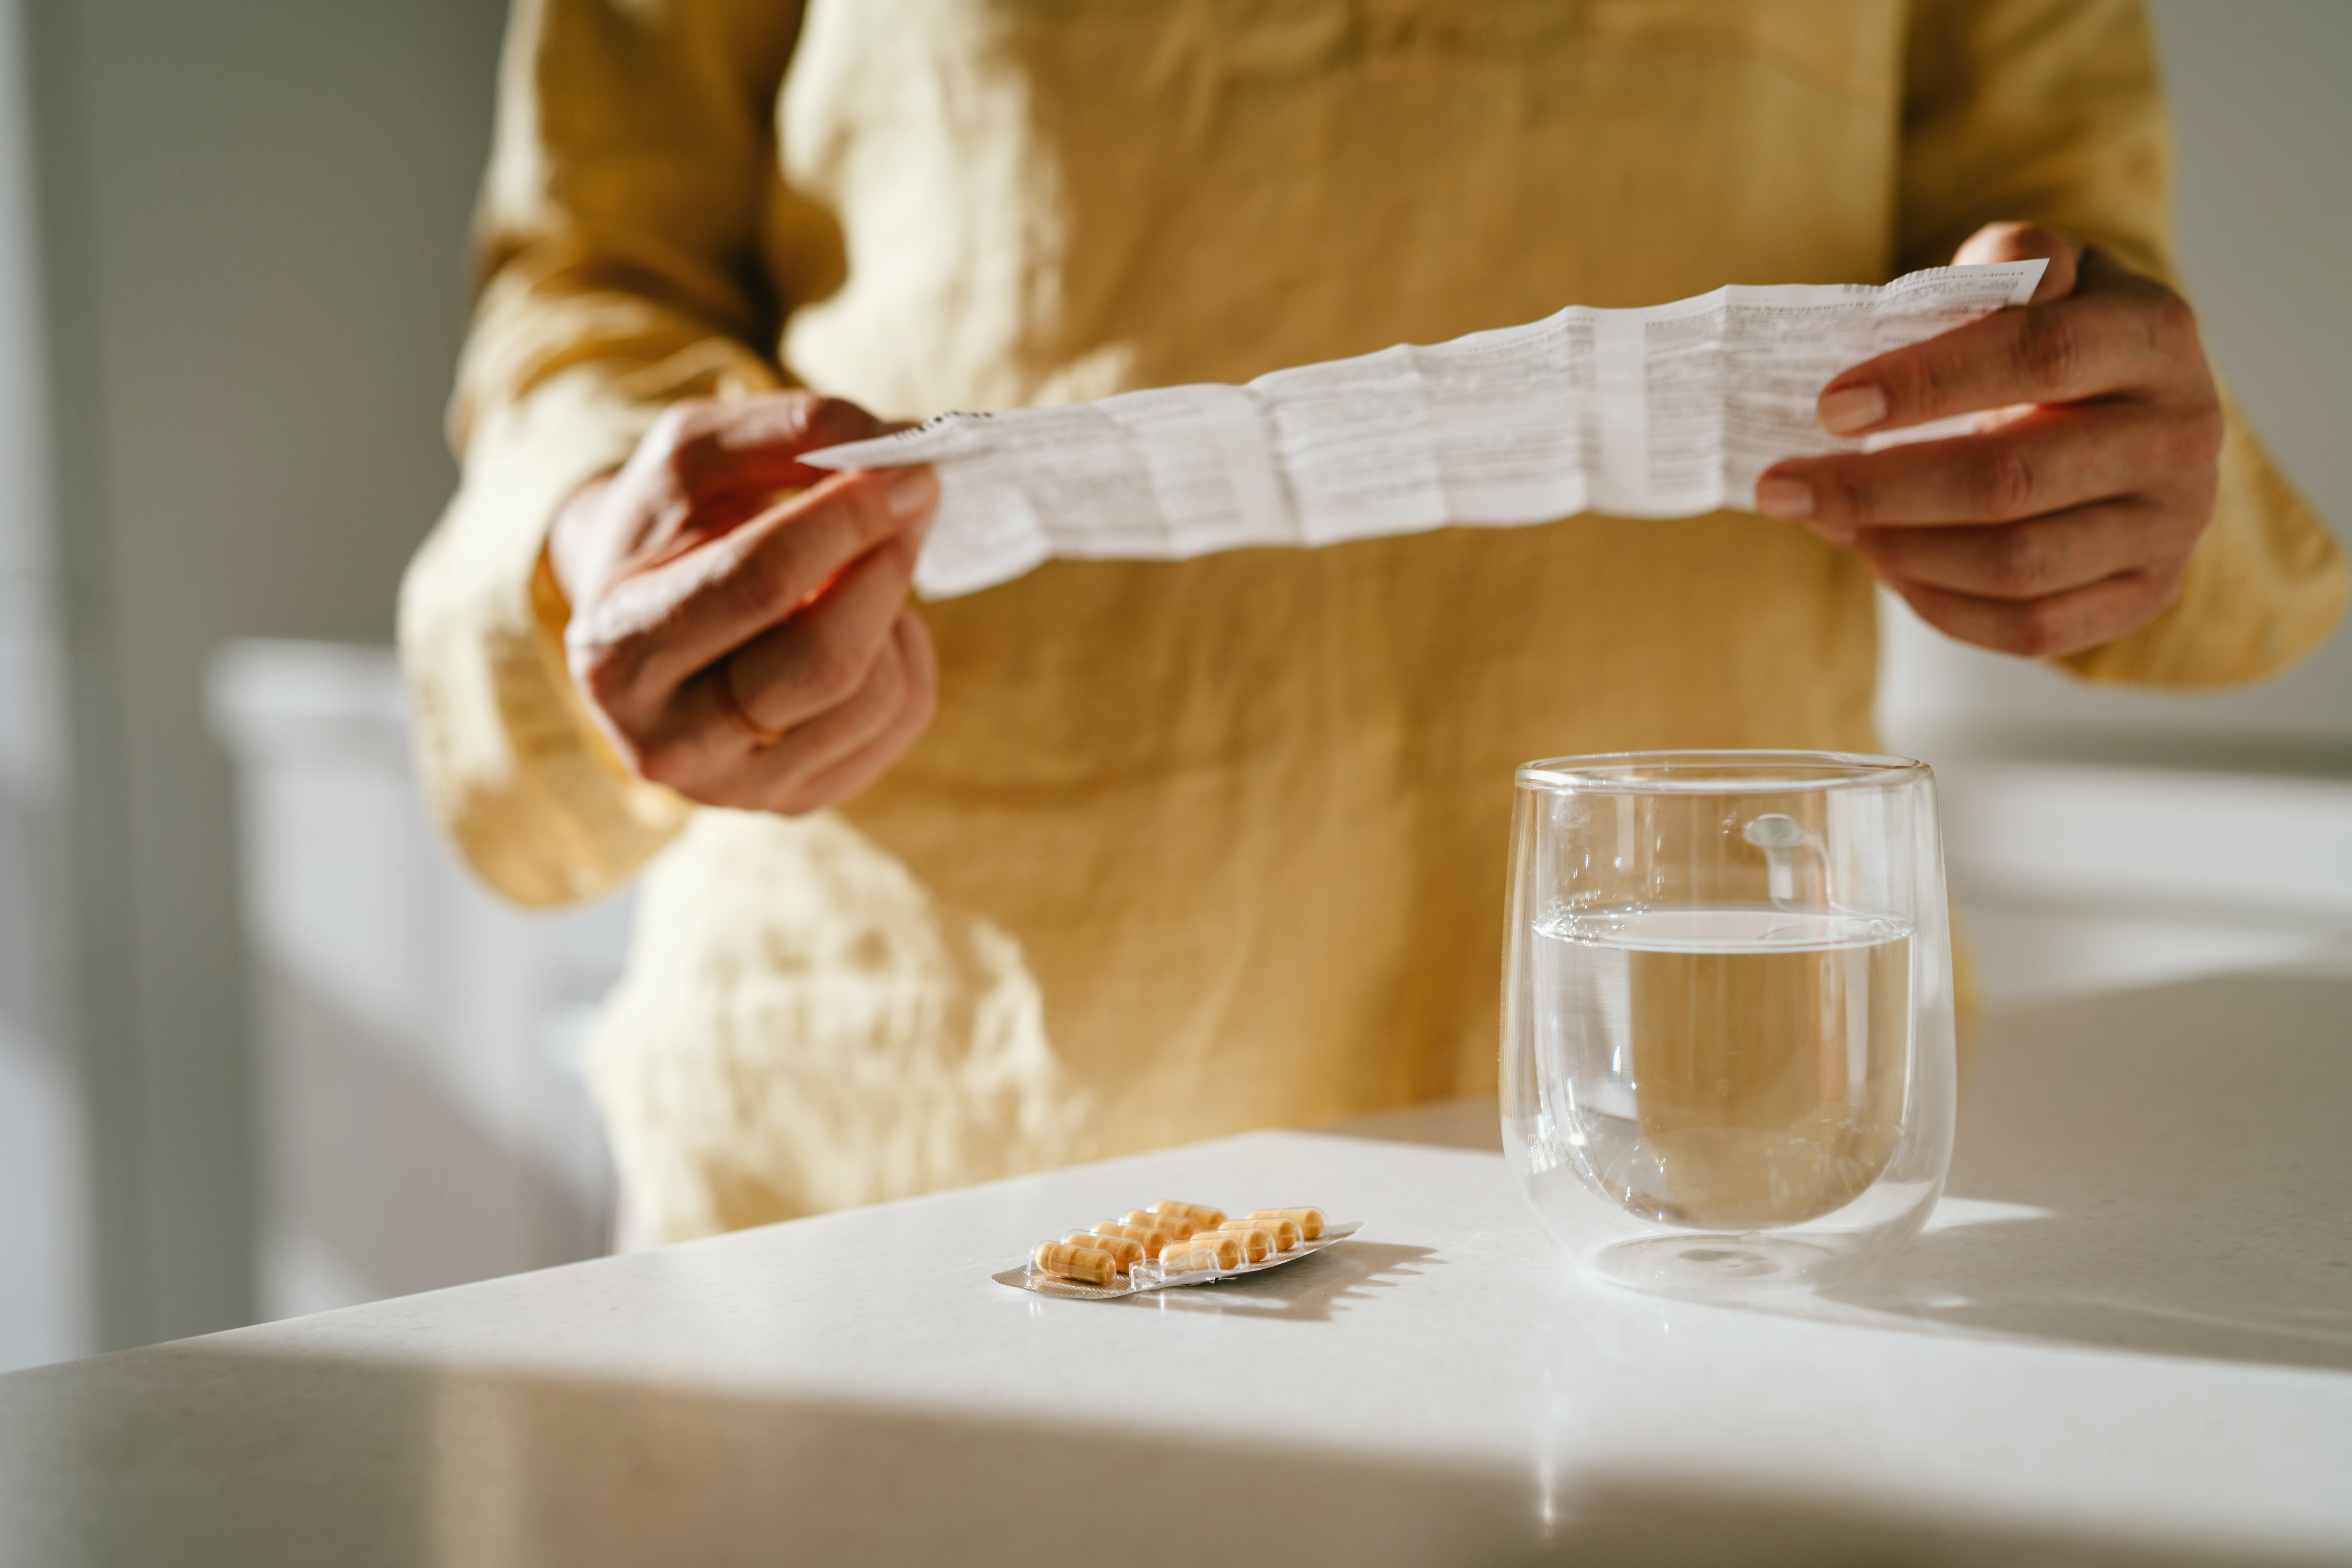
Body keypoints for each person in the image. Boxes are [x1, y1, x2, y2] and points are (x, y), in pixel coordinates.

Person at [401, 0, 2343, 1243]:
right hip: (930, 1165)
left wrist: (2113, 454)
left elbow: (2090, 311)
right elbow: (582, 282)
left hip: (1709, 1170)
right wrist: (612, 532)